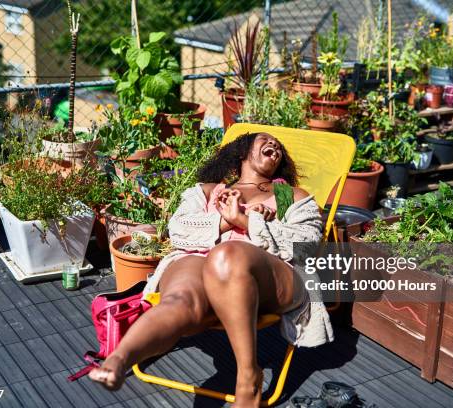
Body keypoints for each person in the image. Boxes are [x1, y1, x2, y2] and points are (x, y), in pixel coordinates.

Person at [89, 132, 334, 407]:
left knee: (226, 254)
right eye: (264, 139)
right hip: (199, 261)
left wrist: (248, 221)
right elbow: (178, 230)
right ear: (242, 152)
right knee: (179, 301)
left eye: (279, 145)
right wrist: (226, 222)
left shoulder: (288, 195)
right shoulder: (208, 191)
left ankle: (247, 375)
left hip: (270, 275)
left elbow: (308, 245)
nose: (274, 144)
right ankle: (120, 359)